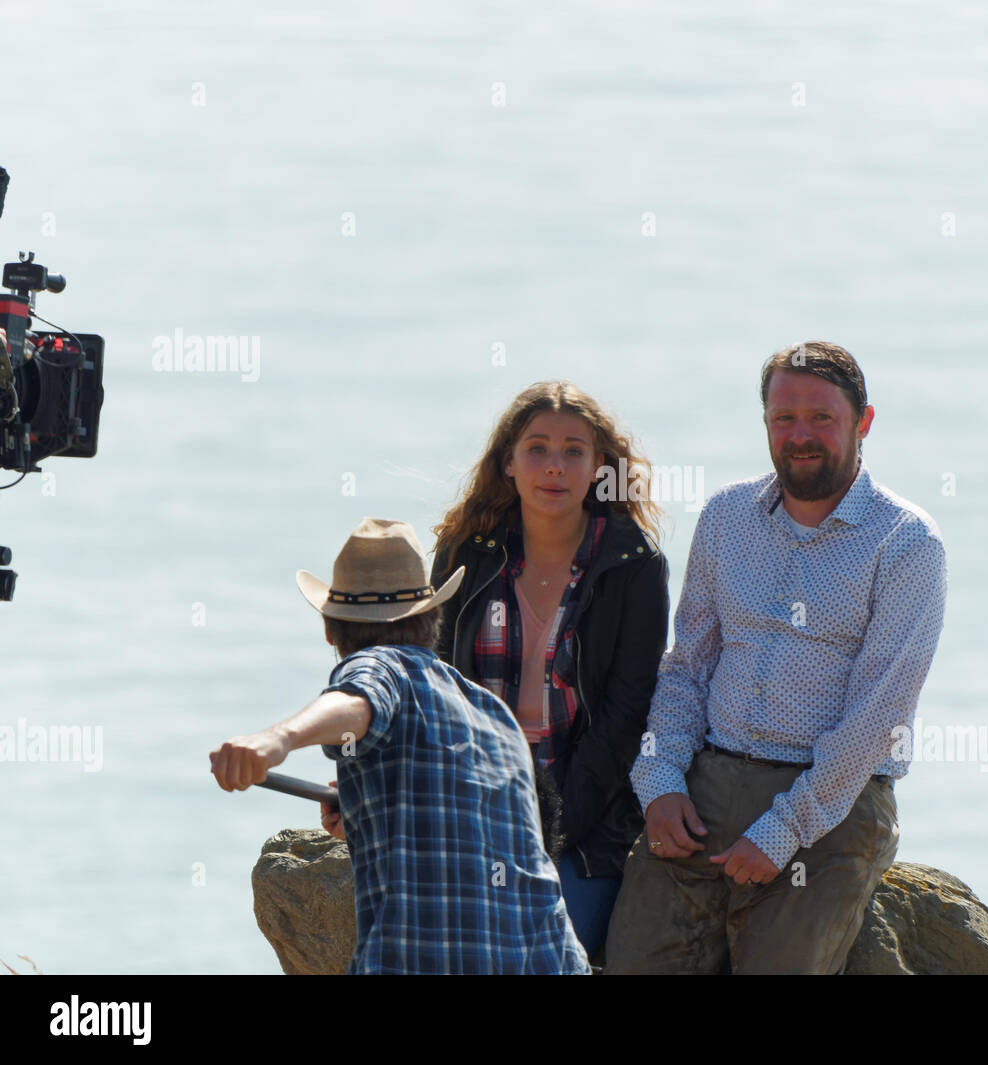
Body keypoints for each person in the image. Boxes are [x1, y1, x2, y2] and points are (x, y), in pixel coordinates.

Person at [603, 341, 948, 975]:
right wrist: (659, 786)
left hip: (832, 805)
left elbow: (879, 718)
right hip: (703, 787)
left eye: (822, 418)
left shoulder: (907, 544)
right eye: (783, 418)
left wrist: (783, 830)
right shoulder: (726, 516)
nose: (801, 435)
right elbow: (686, 671)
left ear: (863, 422)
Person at [210, 516, 589, 975]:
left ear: (331, 631)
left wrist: (275, 740)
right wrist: (370, 822)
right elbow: (476, 834)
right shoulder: (493, 714)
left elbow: (358, 700)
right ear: (433, 618)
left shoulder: (377, 666)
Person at [427, 380, 670, 960]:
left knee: (551, 948)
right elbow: (430, 683)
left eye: (573, 452)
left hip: (586, 816)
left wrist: (548, 826)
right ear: (508, 463)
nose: (554, 467)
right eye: (537, 449)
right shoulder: (467, 551)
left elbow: (626, 716)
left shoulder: (632, 565)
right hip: (473, 795)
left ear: (598, 468)